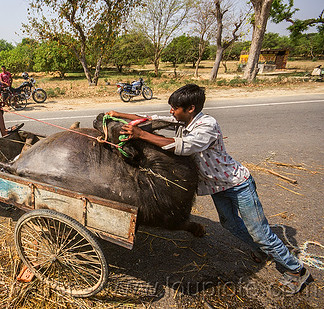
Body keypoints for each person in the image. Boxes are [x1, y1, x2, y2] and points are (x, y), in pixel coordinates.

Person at [107, 84, 312, 294]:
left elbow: (184, 147)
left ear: (190, 108)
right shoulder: (183, 121)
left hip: (238, 184)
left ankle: (296, 270)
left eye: (175, 108)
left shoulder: (207, 125)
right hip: (217, 186)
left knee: (259, 232)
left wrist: (141, 135)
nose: (171, 111)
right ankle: (264, 250)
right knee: (229, 224)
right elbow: (150, 118)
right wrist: (117, 114)